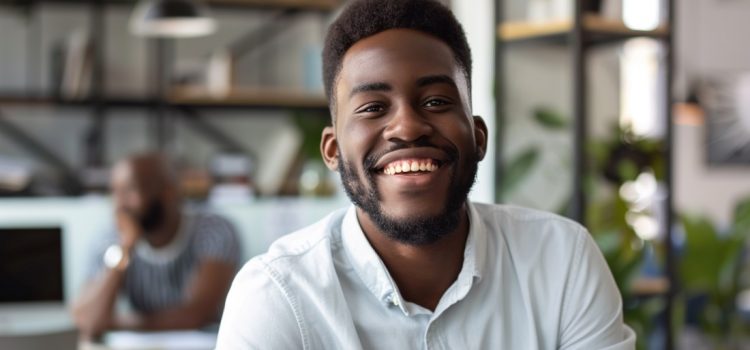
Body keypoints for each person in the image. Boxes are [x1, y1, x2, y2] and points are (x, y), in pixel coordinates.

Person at [217, 0, 636, 348]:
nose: (408, 127)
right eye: (373, 107)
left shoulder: (561, 261)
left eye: (436, 101)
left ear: (477, 136)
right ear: (333, 150)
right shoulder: (277, 296)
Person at [72, 153, 241, 339]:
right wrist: (126, 247)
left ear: (168, 192)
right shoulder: (111, 239)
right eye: (114, 192)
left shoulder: (214, 231)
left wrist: (115, 322)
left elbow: (195, 316)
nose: (119, 205)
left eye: (129, 191)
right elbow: (88, 319)